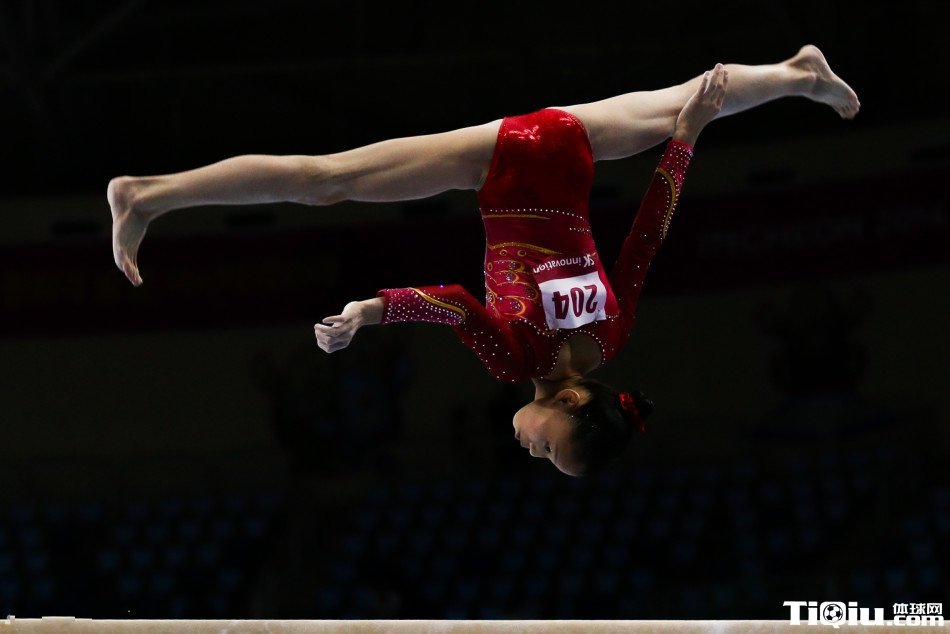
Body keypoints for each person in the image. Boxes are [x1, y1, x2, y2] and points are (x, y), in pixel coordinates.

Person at [108, 45, 860, 477]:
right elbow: (454, 302)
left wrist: (687, 138)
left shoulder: (608, 338)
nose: (530, 450)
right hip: (504, 163)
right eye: (549, 448)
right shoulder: (515, 360)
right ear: (571, 402)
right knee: (325, 181)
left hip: (568, 147)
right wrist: (370, 313)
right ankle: (146, 195)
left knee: (687, 101)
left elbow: (645, 238)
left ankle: (799, 73)